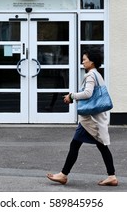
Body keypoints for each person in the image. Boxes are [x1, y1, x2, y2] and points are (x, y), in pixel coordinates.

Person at [47, 47, 118, 186]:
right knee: (98, 145)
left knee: (77, 145)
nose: (83, 62)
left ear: (92, 61)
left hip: (90, 120)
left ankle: (63, 175)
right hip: (93, 119)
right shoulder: (97, 74)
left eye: (85, 59)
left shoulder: (91, 75)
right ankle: (111, 176)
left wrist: (71, 96)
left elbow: (87, 93)